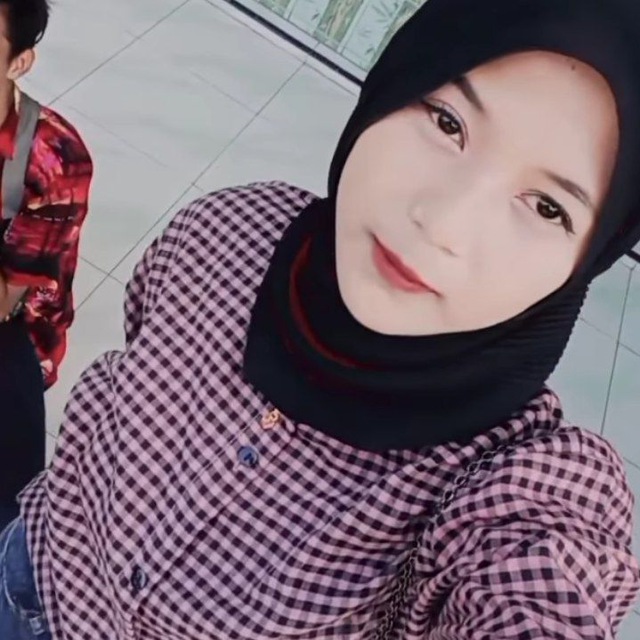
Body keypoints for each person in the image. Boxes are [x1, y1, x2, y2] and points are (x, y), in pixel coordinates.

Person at [2, 0, 640, 637]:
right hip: (32, 562)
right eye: (448, 123)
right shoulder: (232, 229)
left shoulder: (517, 479)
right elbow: (142, 323)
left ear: (592, 255)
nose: (442, 223)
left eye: (548, 207)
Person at [0, 0, 93, 528]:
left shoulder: (55, 159)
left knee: (12, 506)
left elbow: (5, 299)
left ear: (19, 62)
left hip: (14, 322)